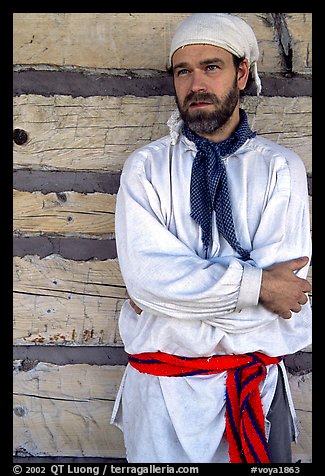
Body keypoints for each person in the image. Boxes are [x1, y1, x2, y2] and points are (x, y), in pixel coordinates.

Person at [111, 13, 312, 464]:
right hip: (161, 397)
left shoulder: (280, 169)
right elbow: (147, 280)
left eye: (211, 67)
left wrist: (173, 304)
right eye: (184, 71)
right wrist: (258, 288)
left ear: (242, 72)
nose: (196, 83)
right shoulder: (145, 169)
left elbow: (288, 301)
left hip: (251, 391)